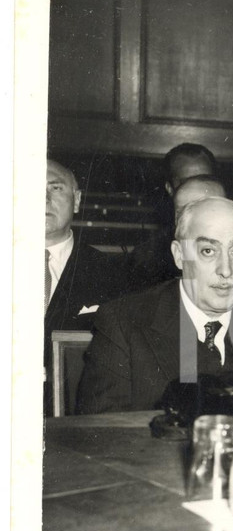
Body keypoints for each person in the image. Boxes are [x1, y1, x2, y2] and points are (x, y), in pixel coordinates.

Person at [77, 197, 233, 413]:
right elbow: (104, 433)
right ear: (179, 255)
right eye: (208, 251)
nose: (226, 270)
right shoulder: (122, 323)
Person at [43, 159, 124, 414]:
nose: (43, 198)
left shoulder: (113, 274)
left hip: (76, 415)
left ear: (76, 200)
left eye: (55, 188)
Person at [124, 143, 219, 292]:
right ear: (169, 189)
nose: (197, 190)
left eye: (205, 179)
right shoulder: (148, 256)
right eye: (186, 182)